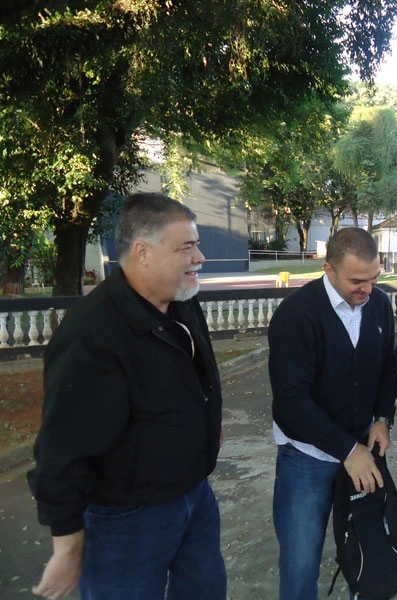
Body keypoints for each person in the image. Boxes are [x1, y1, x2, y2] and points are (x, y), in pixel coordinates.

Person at [27, 192, 227, 600]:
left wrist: (209, 425)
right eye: (187, 247)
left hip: (195, 497)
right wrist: (68, 544)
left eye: (197, 245)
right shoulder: (92, 334)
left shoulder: (182, 301)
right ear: (143, 253)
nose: (200, 257)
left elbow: (197, 378)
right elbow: (62, 449)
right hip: (126, 519)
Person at [268, 227, 397, 599]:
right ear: (328, 269)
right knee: (300, 564)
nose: (368, 290)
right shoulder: (296, 315)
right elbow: (291, 405)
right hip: (306, 461)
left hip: (362, 452)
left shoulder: (380, 305)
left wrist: (383, 418)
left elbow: (389, 365)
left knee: (367, 553)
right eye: (357, 281)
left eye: (374, 278)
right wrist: (348, 450)